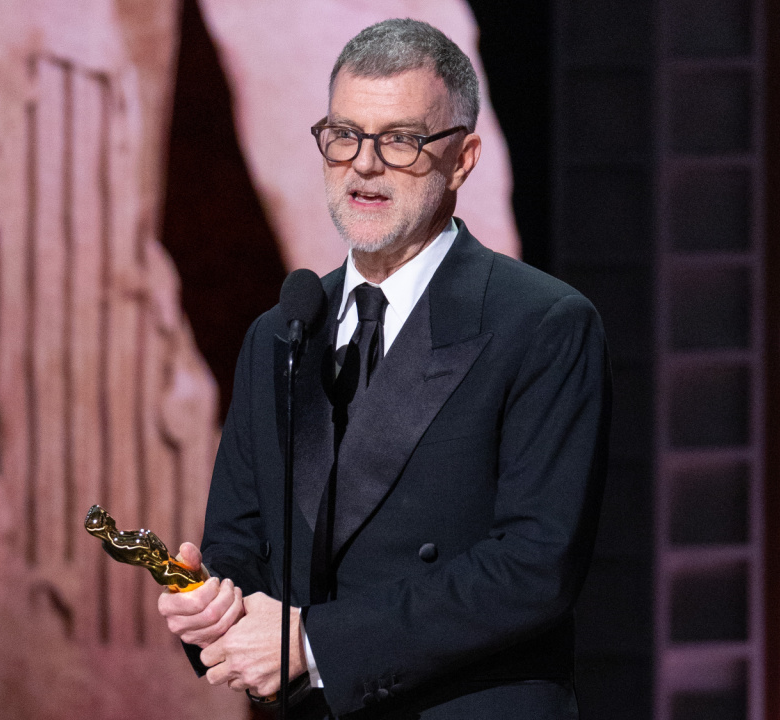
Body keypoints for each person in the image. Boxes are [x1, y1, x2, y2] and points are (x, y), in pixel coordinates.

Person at [157, 18, 610, 720]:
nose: (364, 165)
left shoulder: (541, 324)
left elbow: (532, 569)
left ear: (461, 159)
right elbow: (239, 548)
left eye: (399, 140)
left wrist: (312, 643)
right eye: (345, 135)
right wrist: (215, 611)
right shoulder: (280, 333)